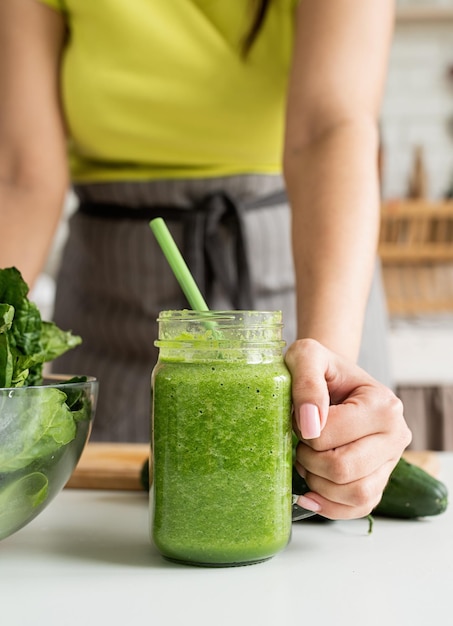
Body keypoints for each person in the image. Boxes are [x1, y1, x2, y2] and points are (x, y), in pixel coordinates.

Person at [0, 0, 411, 520]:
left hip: (304, 267)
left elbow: (329, 128)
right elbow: (20, 173)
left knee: (322, 527)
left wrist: (326, 373)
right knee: (109, 536)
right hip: (116, 291)